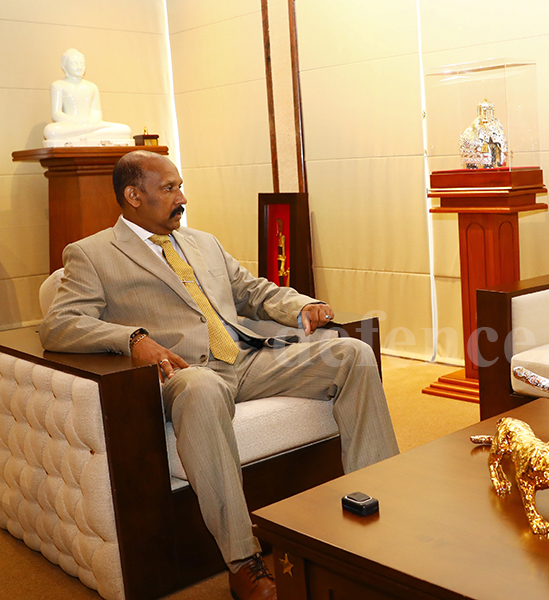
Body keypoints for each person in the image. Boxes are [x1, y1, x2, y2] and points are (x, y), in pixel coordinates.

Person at [39, 150, 400, 600]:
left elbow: (253, 292)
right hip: (187, 373)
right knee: (202, 388)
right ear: (133, 195)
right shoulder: (92, 254)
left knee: (351, 353)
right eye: (169, 188)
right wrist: (132, 338)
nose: (181, 197)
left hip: (247, 358)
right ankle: (242, 559)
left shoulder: (202, 241)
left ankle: (377, 500)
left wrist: (301, 305)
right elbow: (58, 325)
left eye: (180, 186)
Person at [43, 48, 132, 146]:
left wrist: (92, 122)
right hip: (72, 125)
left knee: (125, 129)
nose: (79, 67)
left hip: (91, 124)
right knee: (51, 131)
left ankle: (87, 132)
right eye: (74, 64)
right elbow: (56, 114)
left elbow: (96, 111)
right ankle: (88, 131)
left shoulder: (92, 86)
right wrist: (78, 122)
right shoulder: (58, 85)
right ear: (64, 66)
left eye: (82, 64)